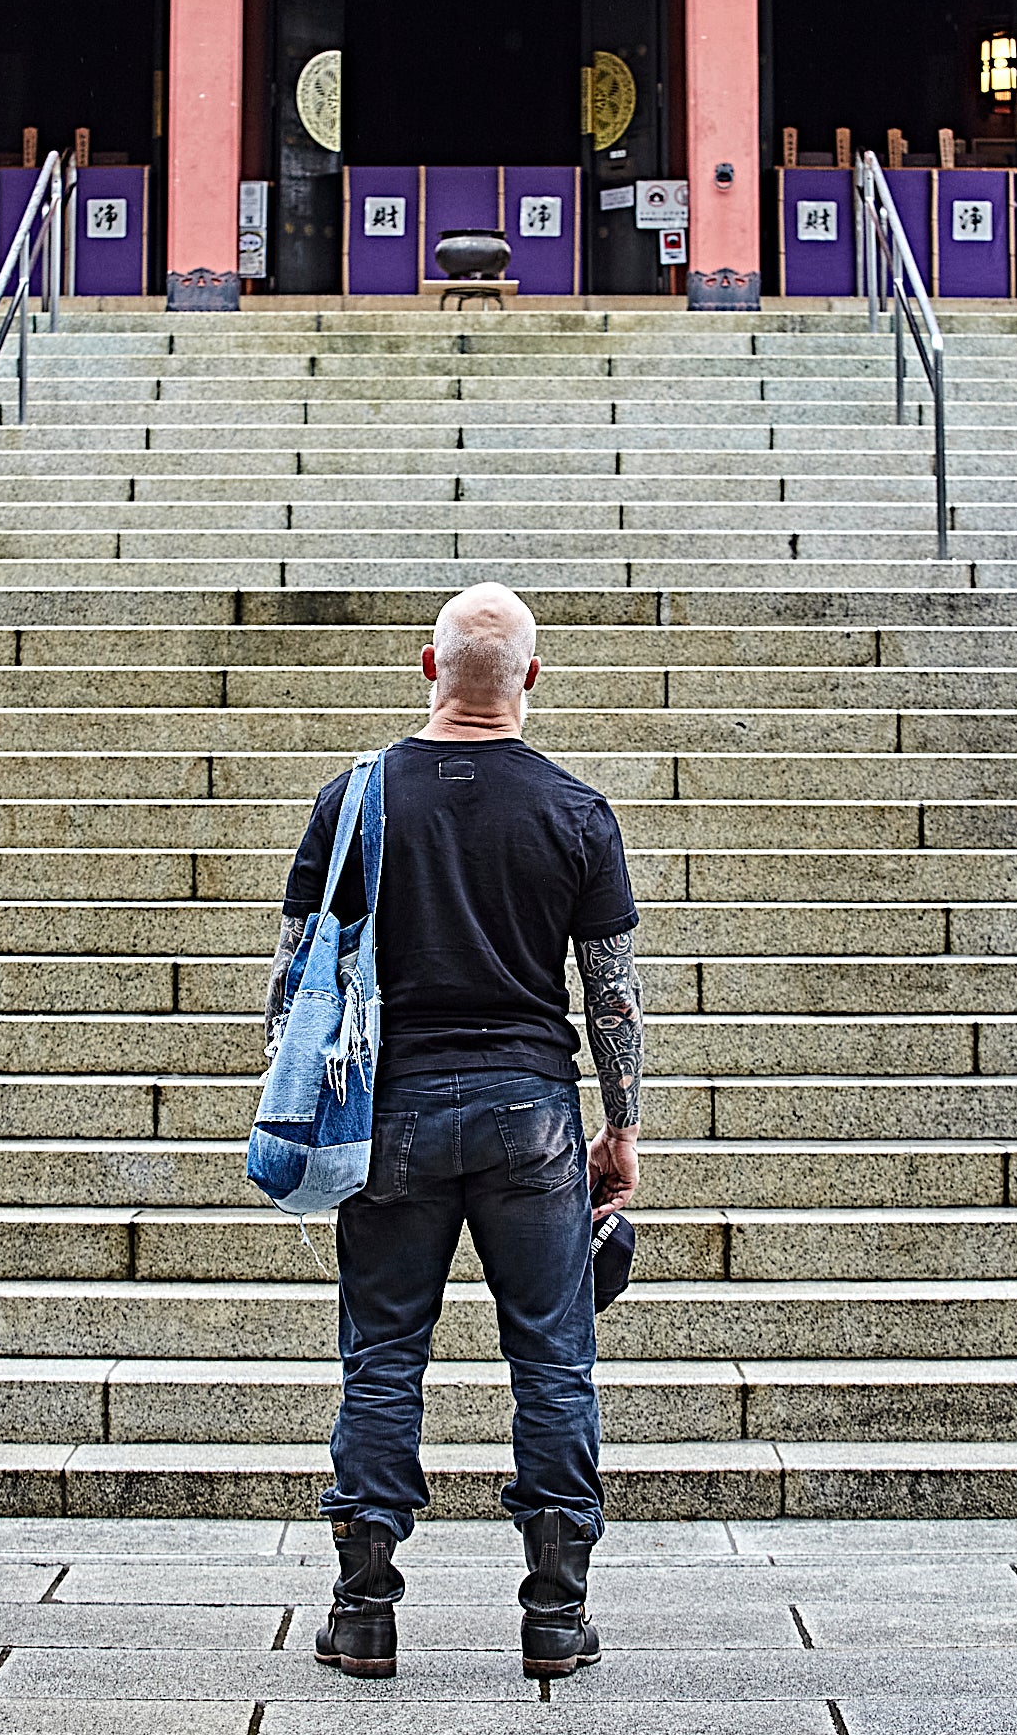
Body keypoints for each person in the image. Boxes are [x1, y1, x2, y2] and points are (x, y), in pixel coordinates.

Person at [263, 582, 643, 1681]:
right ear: (529, 676)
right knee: (554, 1362)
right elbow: (612, 996)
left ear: (425, 666)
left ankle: (364, 1608)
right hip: (532, 1115)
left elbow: (293, 984)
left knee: (383, 1359)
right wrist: (619, 1124)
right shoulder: (575, 809)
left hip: (390, 1120)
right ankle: (556, 1614)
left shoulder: (354, 798)